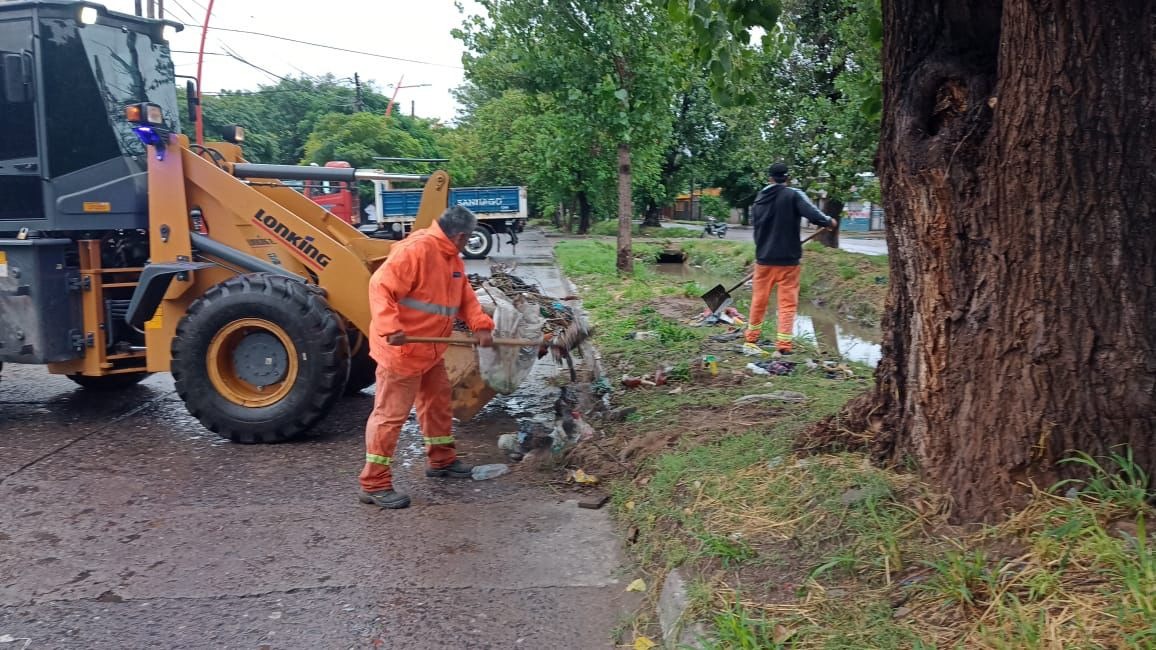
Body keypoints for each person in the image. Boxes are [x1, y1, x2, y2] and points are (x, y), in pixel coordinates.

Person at [358, 205, 495, 510]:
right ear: (460, 235)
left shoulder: (453, 259)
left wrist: (481, 325)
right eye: (469, 237)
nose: (469, 242)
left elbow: (465, 298)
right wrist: (390, 327)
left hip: (432, 350)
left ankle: (441, 461)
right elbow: (380, 287)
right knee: (390, 416)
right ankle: (374, 483)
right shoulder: (416, 251)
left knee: (437, 404)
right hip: (402, 352)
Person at [744, 162, 837, 356]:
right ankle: (783, 345)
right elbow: (814, 215)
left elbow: (757, 228)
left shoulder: (759, 198)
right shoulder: (793, 194)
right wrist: (829, 221)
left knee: (759, 300)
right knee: (787, 303)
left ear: (770, 178)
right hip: (788, 261)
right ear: (787, 178)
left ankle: (751, 338)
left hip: (763, 259)